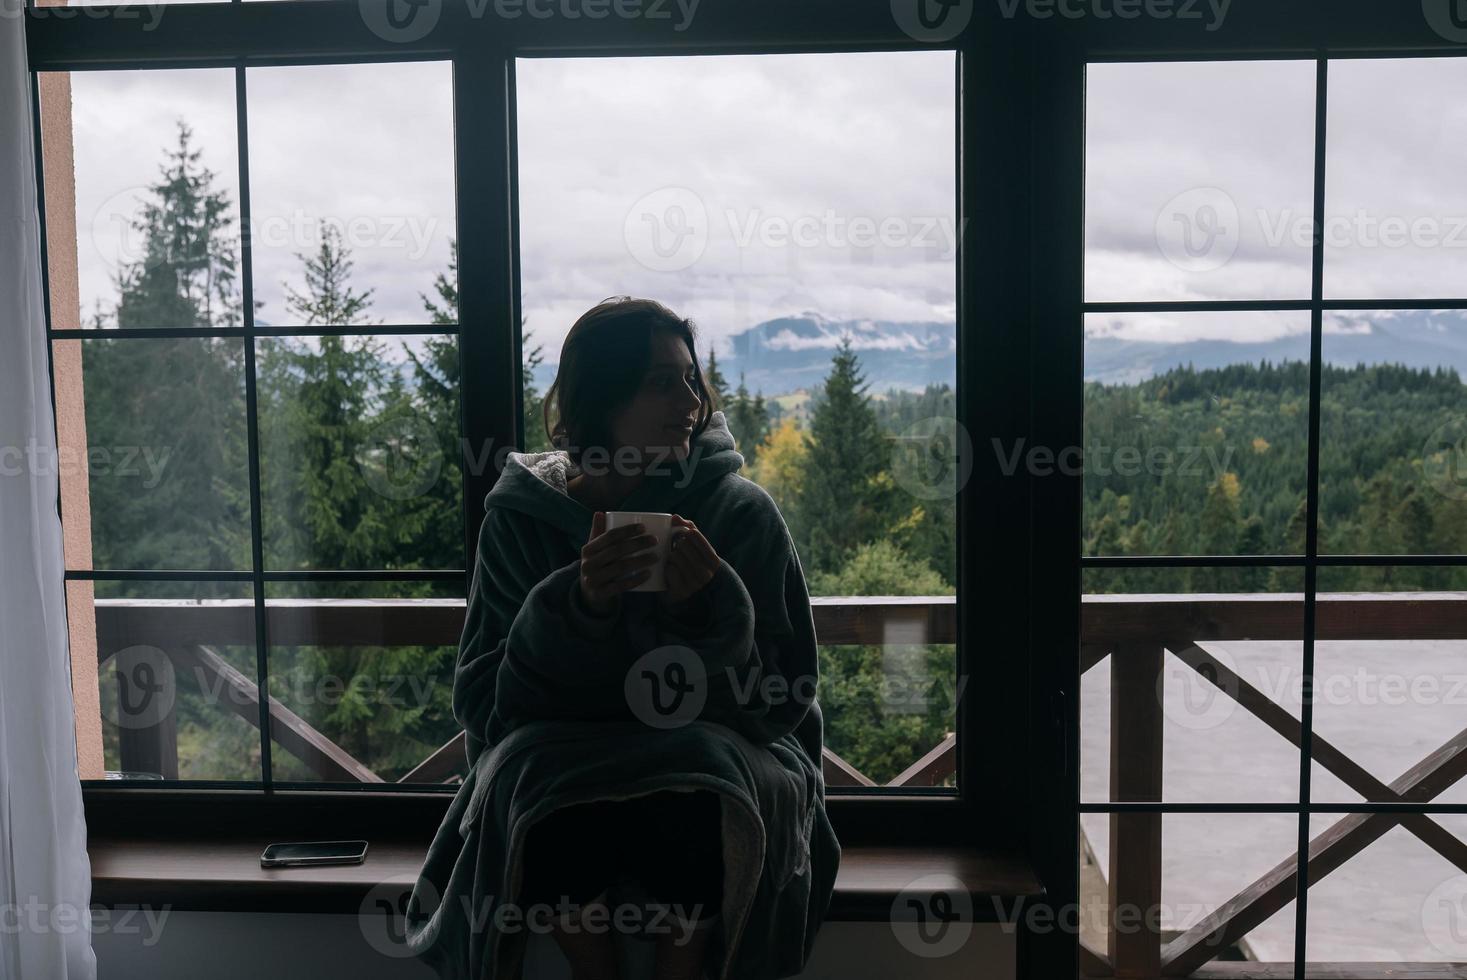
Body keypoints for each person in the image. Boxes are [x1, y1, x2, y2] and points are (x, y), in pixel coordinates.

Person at [405, 296, 840, 980]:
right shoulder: (523, 523)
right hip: (565, 769)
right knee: (543, 781)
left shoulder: (740, 514)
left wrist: (710, 614)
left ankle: (682, 964)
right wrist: (574, 611)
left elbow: (783, 703)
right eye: (661, 382)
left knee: (696, 777)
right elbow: (485, 706)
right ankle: (594, 969)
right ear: (600, 397)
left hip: (714, 765)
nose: (690, 402)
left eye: (691, 379)